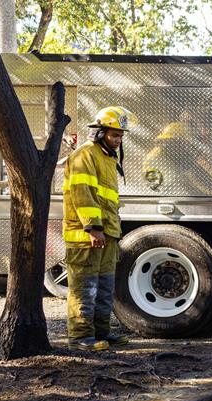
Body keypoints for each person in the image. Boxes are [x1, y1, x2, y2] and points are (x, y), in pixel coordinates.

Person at [63, 106, 134, 351]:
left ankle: (101, 332)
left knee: (104, 286)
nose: (117, 140)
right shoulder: (85, 155)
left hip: (107, 234)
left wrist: (108, 231)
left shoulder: (106, 158)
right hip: (86, 235)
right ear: (100, 132)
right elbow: (82, 194)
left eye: (120, 136)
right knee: (85, 286)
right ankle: (80, 335)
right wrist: (92, 228)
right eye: (114, 135)